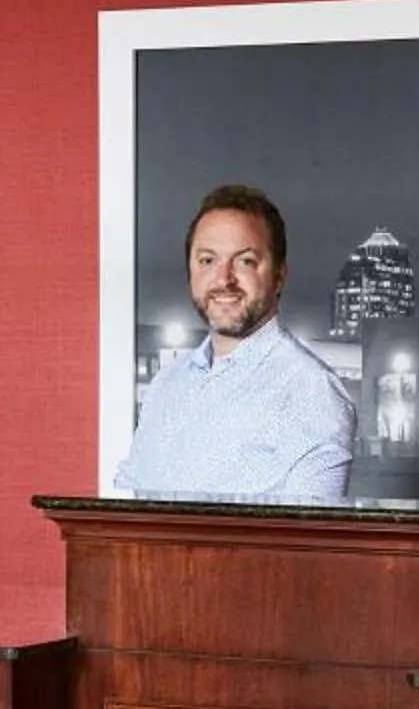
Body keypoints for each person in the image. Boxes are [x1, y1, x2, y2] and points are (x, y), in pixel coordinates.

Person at [113, 183, 354, 502]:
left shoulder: (312, 393)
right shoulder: (166, 384)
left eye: (245, 261)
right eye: (207, 260)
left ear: (279, 276)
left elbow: (308, 545)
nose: (223, 279)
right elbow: (122, 508)